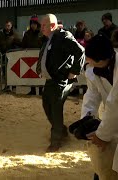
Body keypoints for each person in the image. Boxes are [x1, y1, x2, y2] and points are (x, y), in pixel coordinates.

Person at [36, 14, 85, 152]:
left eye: (43, 25)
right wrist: (41, 70)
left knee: (56, 110)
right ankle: (61, 130)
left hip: (61, 80)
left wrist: (74, 71)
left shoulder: (63, 36)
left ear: (52, 26)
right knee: (47, 105)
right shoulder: (49, 38)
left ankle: (56, 141)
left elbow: (80, 51)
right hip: (51, 80)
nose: (41, 28)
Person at [82, 34, 118, 180]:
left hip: (114, 113)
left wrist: (102, 135)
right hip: (112, 117)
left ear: (103, 60)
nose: (88, 63)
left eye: (91, 61)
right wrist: (87, 120)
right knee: (103, 167)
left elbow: (115, 102)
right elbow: (91, 95)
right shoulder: (93, 70)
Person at [0, 20, 22, 92]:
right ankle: (7, 86)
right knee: (5, 71)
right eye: (6, 25)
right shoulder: (1, 33)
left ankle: (13, 87)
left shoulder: (15, 33)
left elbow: (20, 42)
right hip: (4, 55)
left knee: (13, 71)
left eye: (9, 25)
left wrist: (14, 40)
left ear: (11, 26)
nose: (7, 27)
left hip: (13, 55)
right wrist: (5, 42)